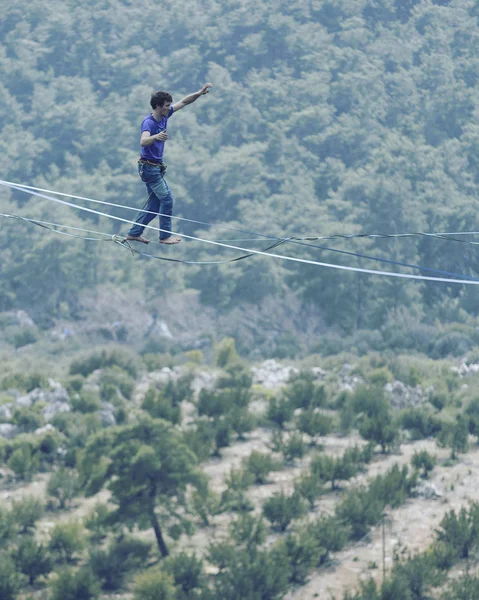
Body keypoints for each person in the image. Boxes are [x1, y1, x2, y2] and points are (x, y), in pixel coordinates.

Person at [126, 83, 213, 245]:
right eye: (166, 106)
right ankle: (165, 236)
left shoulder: (165, 116)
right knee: (167, 199)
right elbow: (143, 141)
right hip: (149, 168)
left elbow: (185, 102)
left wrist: (200, 93)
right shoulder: (149, 123)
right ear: (158, 106)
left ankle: (134, 233)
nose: (169, 108)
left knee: (154, 204)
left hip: (155, 168)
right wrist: (156, 137)